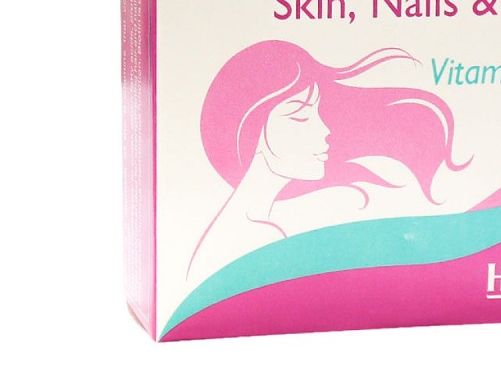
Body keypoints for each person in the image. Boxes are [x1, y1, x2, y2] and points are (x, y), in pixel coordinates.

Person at [188, 40, 465, 281]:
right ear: (252, 132)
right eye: (301, 116)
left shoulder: (247, 228)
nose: (324, 130)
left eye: (317, 113)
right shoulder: (255, 238)